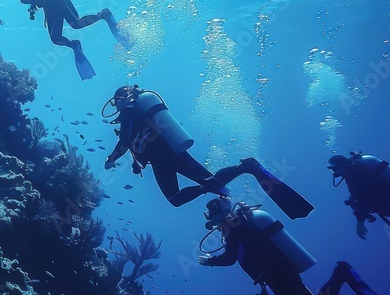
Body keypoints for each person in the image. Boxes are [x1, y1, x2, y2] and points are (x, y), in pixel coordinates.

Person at [103, 85, 313, 219]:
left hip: (171, 155)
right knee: (179, 198)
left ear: (122, 97)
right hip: (161, 161)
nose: (117, 105)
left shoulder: (129, 110)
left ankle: (247, 167)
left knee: (210, 185)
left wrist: (111, 159)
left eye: (116, 100)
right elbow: (132, 143)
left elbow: (124, 141)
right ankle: (226, 180)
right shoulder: (133, 112)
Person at [198, 197, 384, 295]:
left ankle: (341, 274)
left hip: (276, 273)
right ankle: (341, 274)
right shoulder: (240, 223)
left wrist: (211, 261)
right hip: (277, 273)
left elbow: (230, 257)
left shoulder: (233, 226)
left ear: (216, 214)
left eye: (211, 218)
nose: (212, 224)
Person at [18, 0, 125, 80]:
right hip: (61, 0)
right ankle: (102, 16)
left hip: (52, 5)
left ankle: (74, 44)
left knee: (56, 38)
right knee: (76, 24)